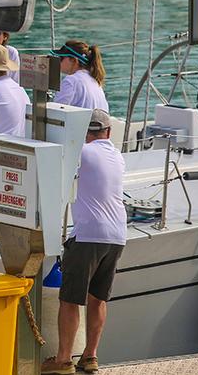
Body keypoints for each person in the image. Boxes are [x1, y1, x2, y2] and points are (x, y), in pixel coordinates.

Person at [42, 109, 126, 375]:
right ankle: (90, 356)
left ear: (84, 133)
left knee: (70, 300)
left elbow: (55, 169)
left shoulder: (83, 152)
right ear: (108, 132)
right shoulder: (117, 156)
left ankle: (63, 360)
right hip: (117, 234)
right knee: (98, 298)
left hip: (89, 234)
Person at [50, 41, 109, 113]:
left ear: (74, 60)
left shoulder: (71, 81)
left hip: (83, 123)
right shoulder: (94, 79)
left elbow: (56, 112)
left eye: (61, 58)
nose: (58, 61)